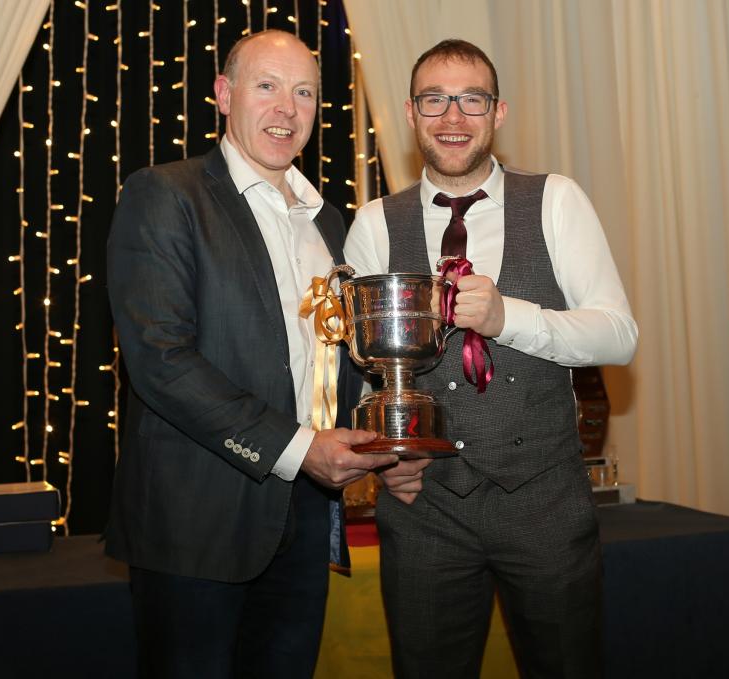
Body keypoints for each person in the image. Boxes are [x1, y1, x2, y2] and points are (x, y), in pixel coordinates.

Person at [105, 29, 397, 679]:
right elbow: (161, 361)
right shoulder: (166, 195)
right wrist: (298, 447)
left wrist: (383, 436)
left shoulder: (328, 222)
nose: (286, 110)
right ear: (222, 94)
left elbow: (333, 360)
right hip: (196, 525)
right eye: (266, 86)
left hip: (305, 515)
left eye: (303, 93)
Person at [344, 39, 638, 679]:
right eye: (435, 100)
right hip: (423, 510)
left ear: (498, 112)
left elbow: (619, 335)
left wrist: (510, 319)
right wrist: (387, 462)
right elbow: (359, 369)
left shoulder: (557, 200)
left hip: (546, 505)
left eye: (471, 99)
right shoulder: (373, 223)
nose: (453, 117)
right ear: (411, 112)